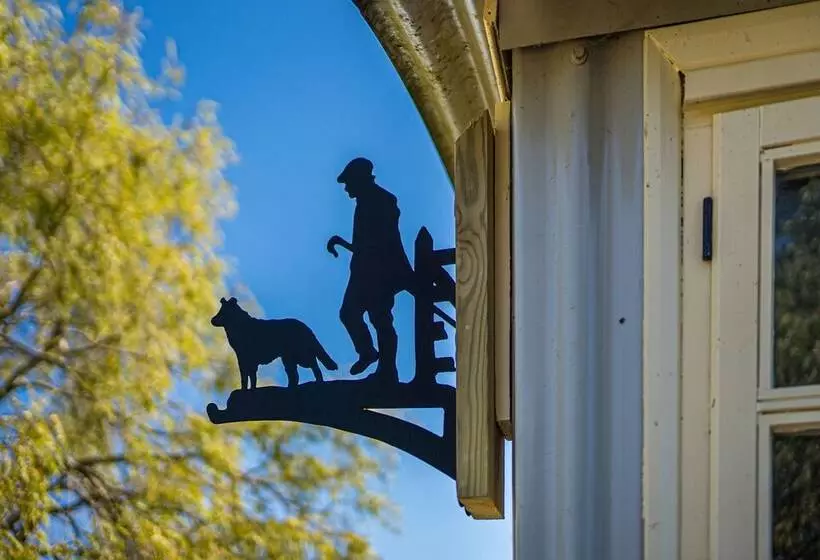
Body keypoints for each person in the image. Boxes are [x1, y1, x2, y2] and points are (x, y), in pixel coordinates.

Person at [327, 157, 413, 383]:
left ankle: (387, 371)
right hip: (363, 271)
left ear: (359, 179)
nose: (346, 188)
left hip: (379, 273)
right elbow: (365, 244)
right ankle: (368, 353)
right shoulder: (366, 202)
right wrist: (342, 243)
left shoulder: (382, 200)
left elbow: (383, 241)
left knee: (380, 319)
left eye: (348, 183)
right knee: (349, 313)